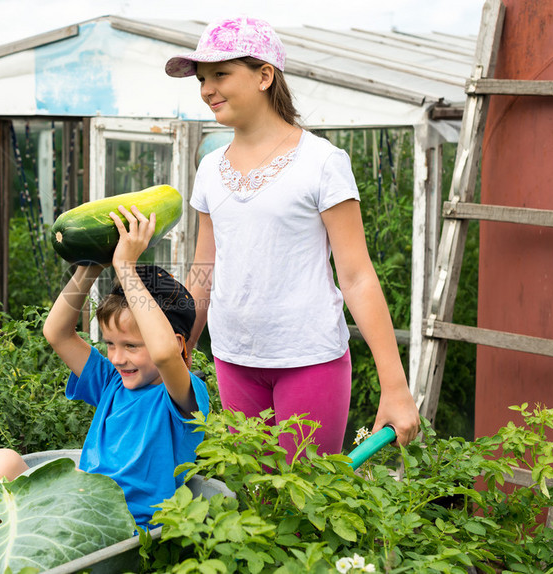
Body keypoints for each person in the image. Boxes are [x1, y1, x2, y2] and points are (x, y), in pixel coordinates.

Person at [164, 16, 420, 456]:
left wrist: (395, 387)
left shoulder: (322, 162)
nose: (207, 89)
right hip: (233, 357)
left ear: (265, 75)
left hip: (309, 359)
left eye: (221, 74)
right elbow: (204, 268)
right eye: (202, 78)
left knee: (308, 509)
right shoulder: (209, 168)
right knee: (259, 504)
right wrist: (181, 338)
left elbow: (357, 277)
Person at [0, 205, 210, 528]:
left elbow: (166, 354)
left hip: (115, 527)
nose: (116, 357)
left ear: (181, 344)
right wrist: (92, 264)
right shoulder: (112, 383)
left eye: (131, 346)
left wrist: (125, 267)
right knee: (0, 462)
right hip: (76, 508)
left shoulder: (183, 398)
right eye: (111, 344)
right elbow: (56, 333)